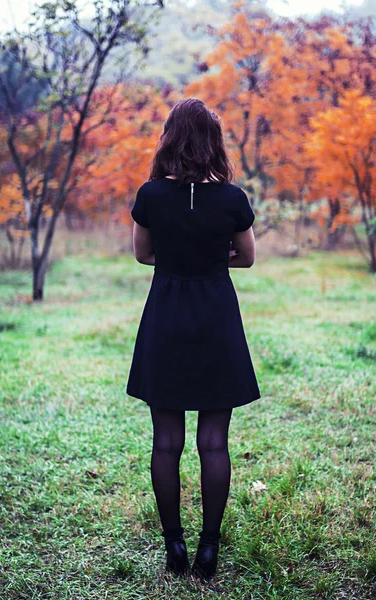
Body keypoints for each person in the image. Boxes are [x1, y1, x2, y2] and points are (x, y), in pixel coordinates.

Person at [126, 98, 261, 580]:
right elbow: (245, 258)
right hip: (216, 319)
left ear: (169, 138)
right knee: (214, 442)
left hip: (166, 316)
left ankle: (174, 548)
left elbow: (143, 255)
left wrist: (177, 253)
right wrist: (210, 255)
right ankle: (209, 550)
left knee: (166, 442)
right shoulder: (232, 198)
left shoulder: (150, 195)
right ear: (213, 142)